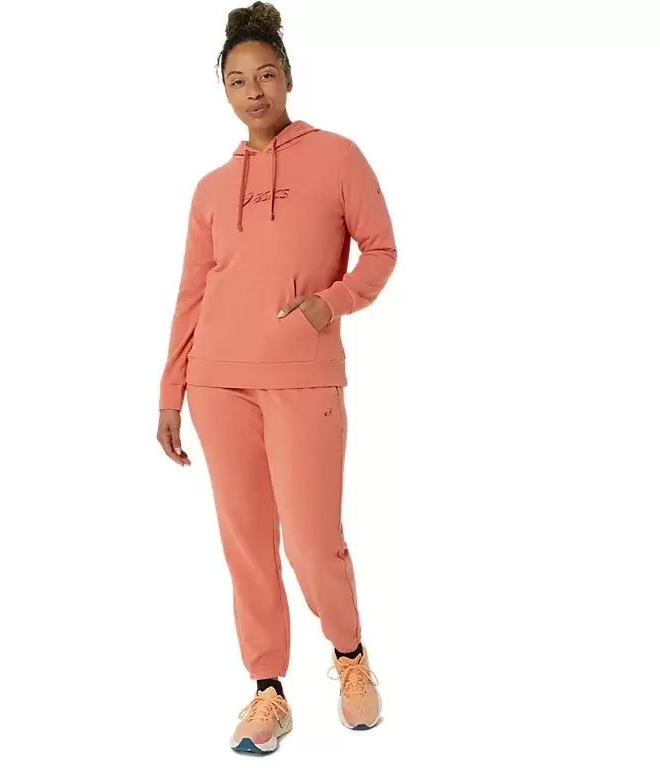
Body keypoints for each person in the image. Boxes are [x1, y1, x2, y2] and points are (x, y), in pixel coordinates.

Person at [155, 1, 397, 754]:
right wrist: (170, 390)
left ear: (287, 77)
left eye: (265, 75)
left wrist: (332, 302)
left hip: (303, 377)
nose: (252, 91)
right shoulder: (209, 189)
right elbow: (191, 292)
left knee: (313, 541)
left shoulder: (339, 158)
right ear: (223, 90)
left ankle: (350, 659)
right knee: (247, 547)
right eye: (237, 80)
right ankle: (268, 692)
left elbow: (382, 251)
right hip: (217, 383)